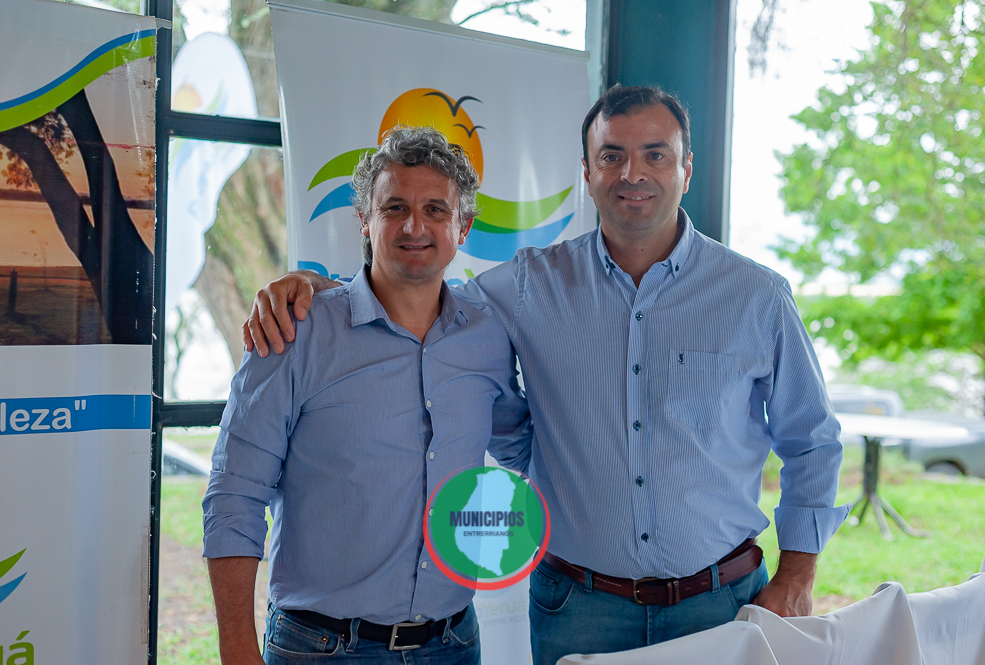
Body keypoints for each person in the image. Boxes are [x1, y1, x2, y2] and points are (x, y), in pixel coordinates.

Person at [243, 85, 850, 665]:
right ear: (587, 172)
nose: (632, 173)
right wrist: (316, 290)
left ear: (686, 169)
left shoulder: (757, 296)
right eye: (611, 156)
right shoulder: (526, 286)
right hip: (579, 610)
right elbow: (413, 285)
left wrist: (799, 573)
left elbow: (813, 441)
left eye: (655, 155)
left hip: (722, 603)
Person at [203, 126, 532, 665]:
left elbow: (526, 446)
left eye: (435, 210)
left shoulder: (488, 337)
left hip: (453, 643)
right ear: (364, 219)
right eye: (394, 207)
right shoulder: (294, 333)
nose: (414, 226)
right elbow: (235, 493)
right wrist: (237, 647)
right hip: (323, 648)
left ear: (463, 227)